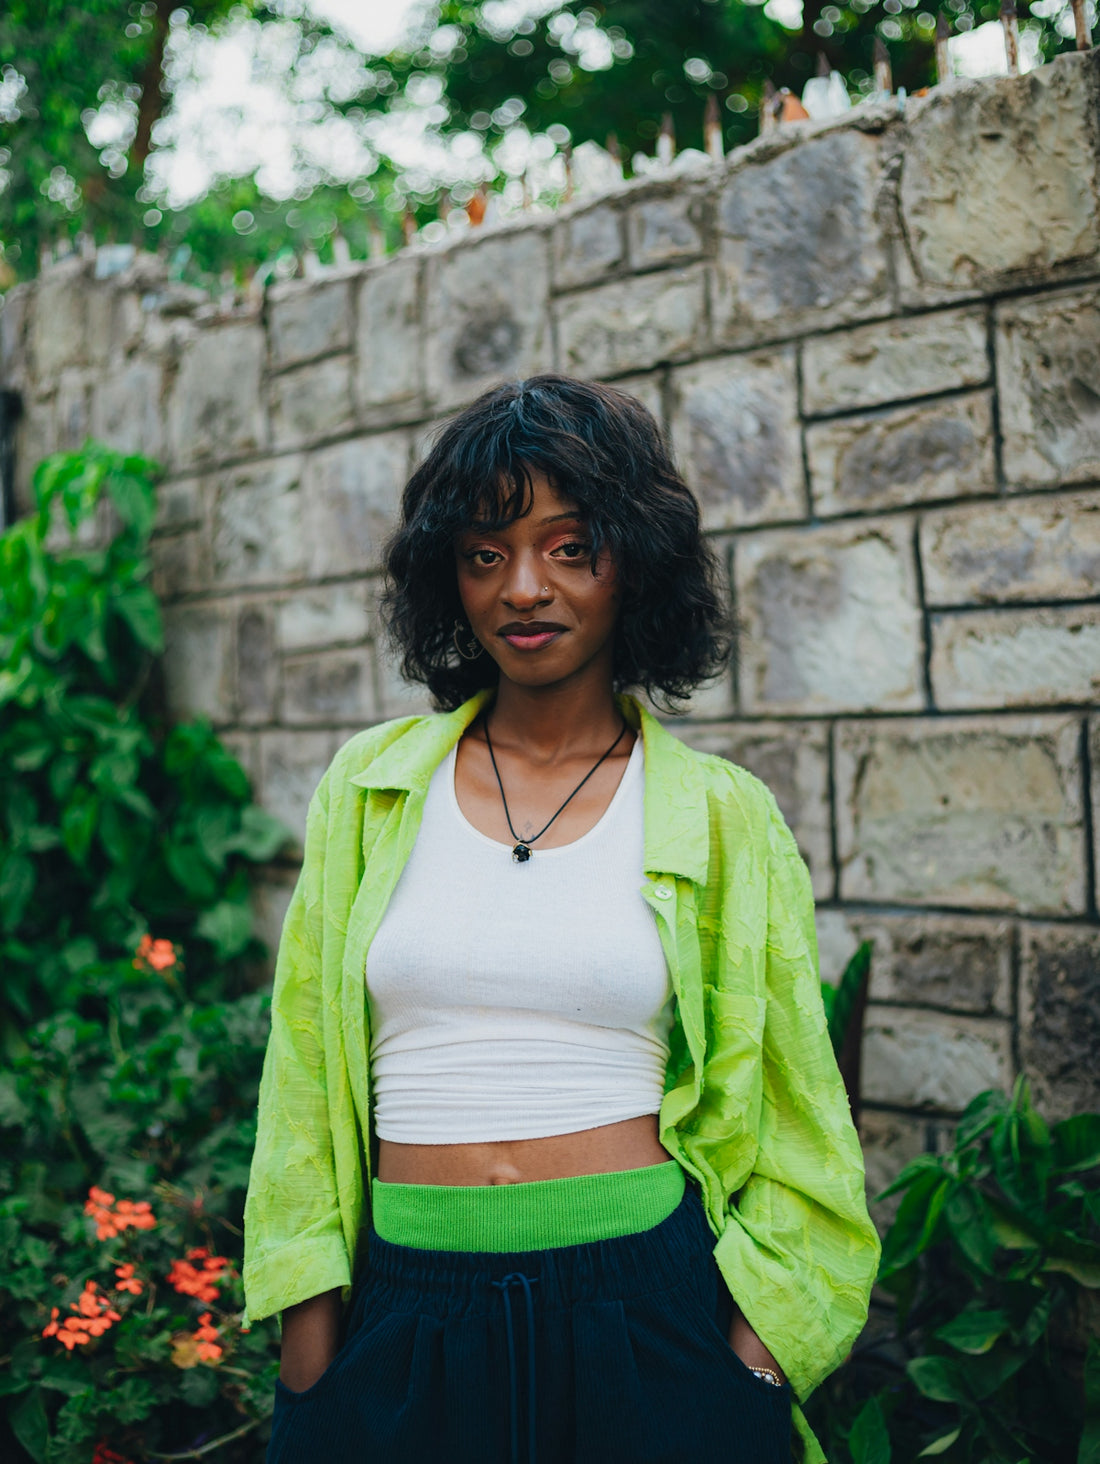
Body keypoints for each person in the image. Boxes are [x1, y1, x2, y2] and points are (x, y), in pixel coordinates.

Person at [242, 374, 880, 1464]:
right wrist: (313, 1361)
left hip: (645, 1317)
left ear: (631, 562)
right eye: (485, 554)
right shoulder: (367, 790)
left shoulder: (720, 818)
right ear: (448, 578)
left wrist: (747, 1366)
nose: (522, 588)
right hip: (404, 1317)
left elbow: (795, 1119)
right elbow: (302, 1076)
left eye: (568, 547)